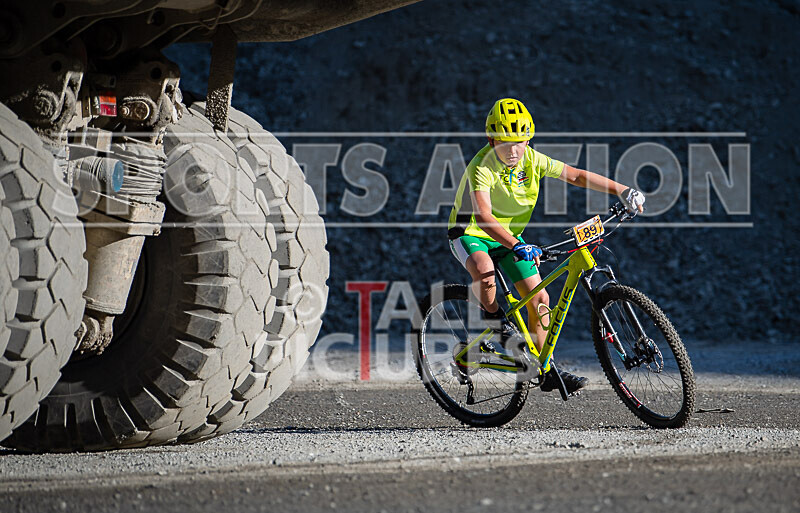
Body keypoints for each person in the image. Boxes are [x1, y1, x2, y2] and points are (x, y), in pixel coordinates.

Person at [447, 98, 645, 395]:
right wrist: (517, 244)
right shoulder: (482, 166)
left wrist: (622, 190)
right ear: (491, 140)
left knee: (539, 298)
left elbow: (575, 175)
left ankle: (547, 369)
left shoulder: (532, 160)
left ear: (529, 139)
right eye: (504, 143)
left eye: (520, 142)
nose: (513, 151)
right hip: (472, 232)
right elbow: (484, 217)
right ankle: (495, 324)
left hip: (509, 239)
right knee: (484, 269)